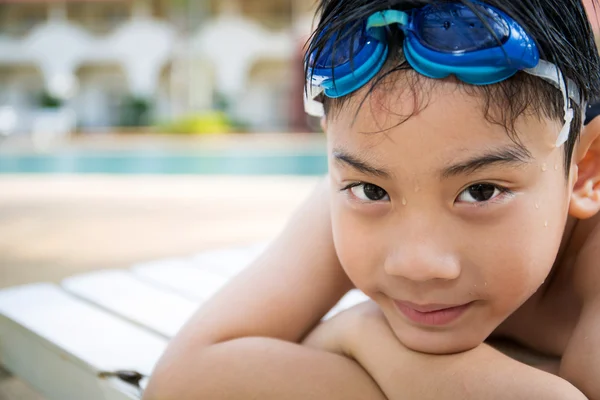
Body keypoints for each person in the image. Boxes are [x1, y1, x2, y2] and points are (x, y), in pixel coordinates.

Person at [144, 0, 600, 398]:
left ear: (587, 170)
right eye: (371, 188)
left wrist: (355, 334)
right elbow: (181, 381)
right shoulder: (366, 181)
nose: (417, 264)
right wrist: (381, 344)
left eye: (480, 191)